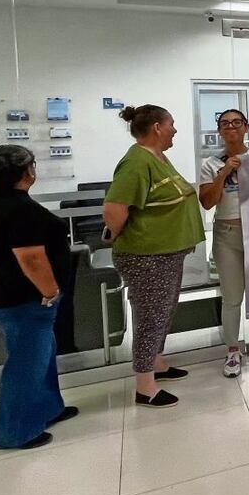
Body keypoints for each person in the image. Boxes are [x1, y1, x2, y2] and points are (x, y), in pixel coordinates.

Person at [0, 145, 78, 450]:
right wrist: (51, 292)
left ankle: (47, 409)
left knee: (41, 356)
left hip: (9, 295)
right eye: (33, 164)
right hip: (24, 299)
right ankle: (15, 432)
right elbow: (31, 260)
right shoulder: (19, 209)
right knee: (24, 366)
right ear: (26, 171)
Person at [104, 104, 205, 408]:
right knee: (151, 317)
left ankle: (157, 363)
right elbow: (114, 210)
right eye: (171, 123)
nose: (175, 129)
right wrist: (129, 236)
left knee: (164, 311)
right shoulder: (136, 162)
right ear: (157, 127)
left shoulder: (157, 157)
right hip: (147, 256)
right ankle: (145, 386)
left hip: (166, 254)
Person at [199, 109, 249, 377]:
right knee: (231, 297)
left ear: (246, 127)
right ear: (219, 130)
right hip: (226, 235)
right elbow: (207, 202)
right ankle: (233, 350)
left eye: (236, 122)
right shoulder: (210, 163)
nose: (231, 127)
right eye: (225, 123)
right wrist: (222, 173)